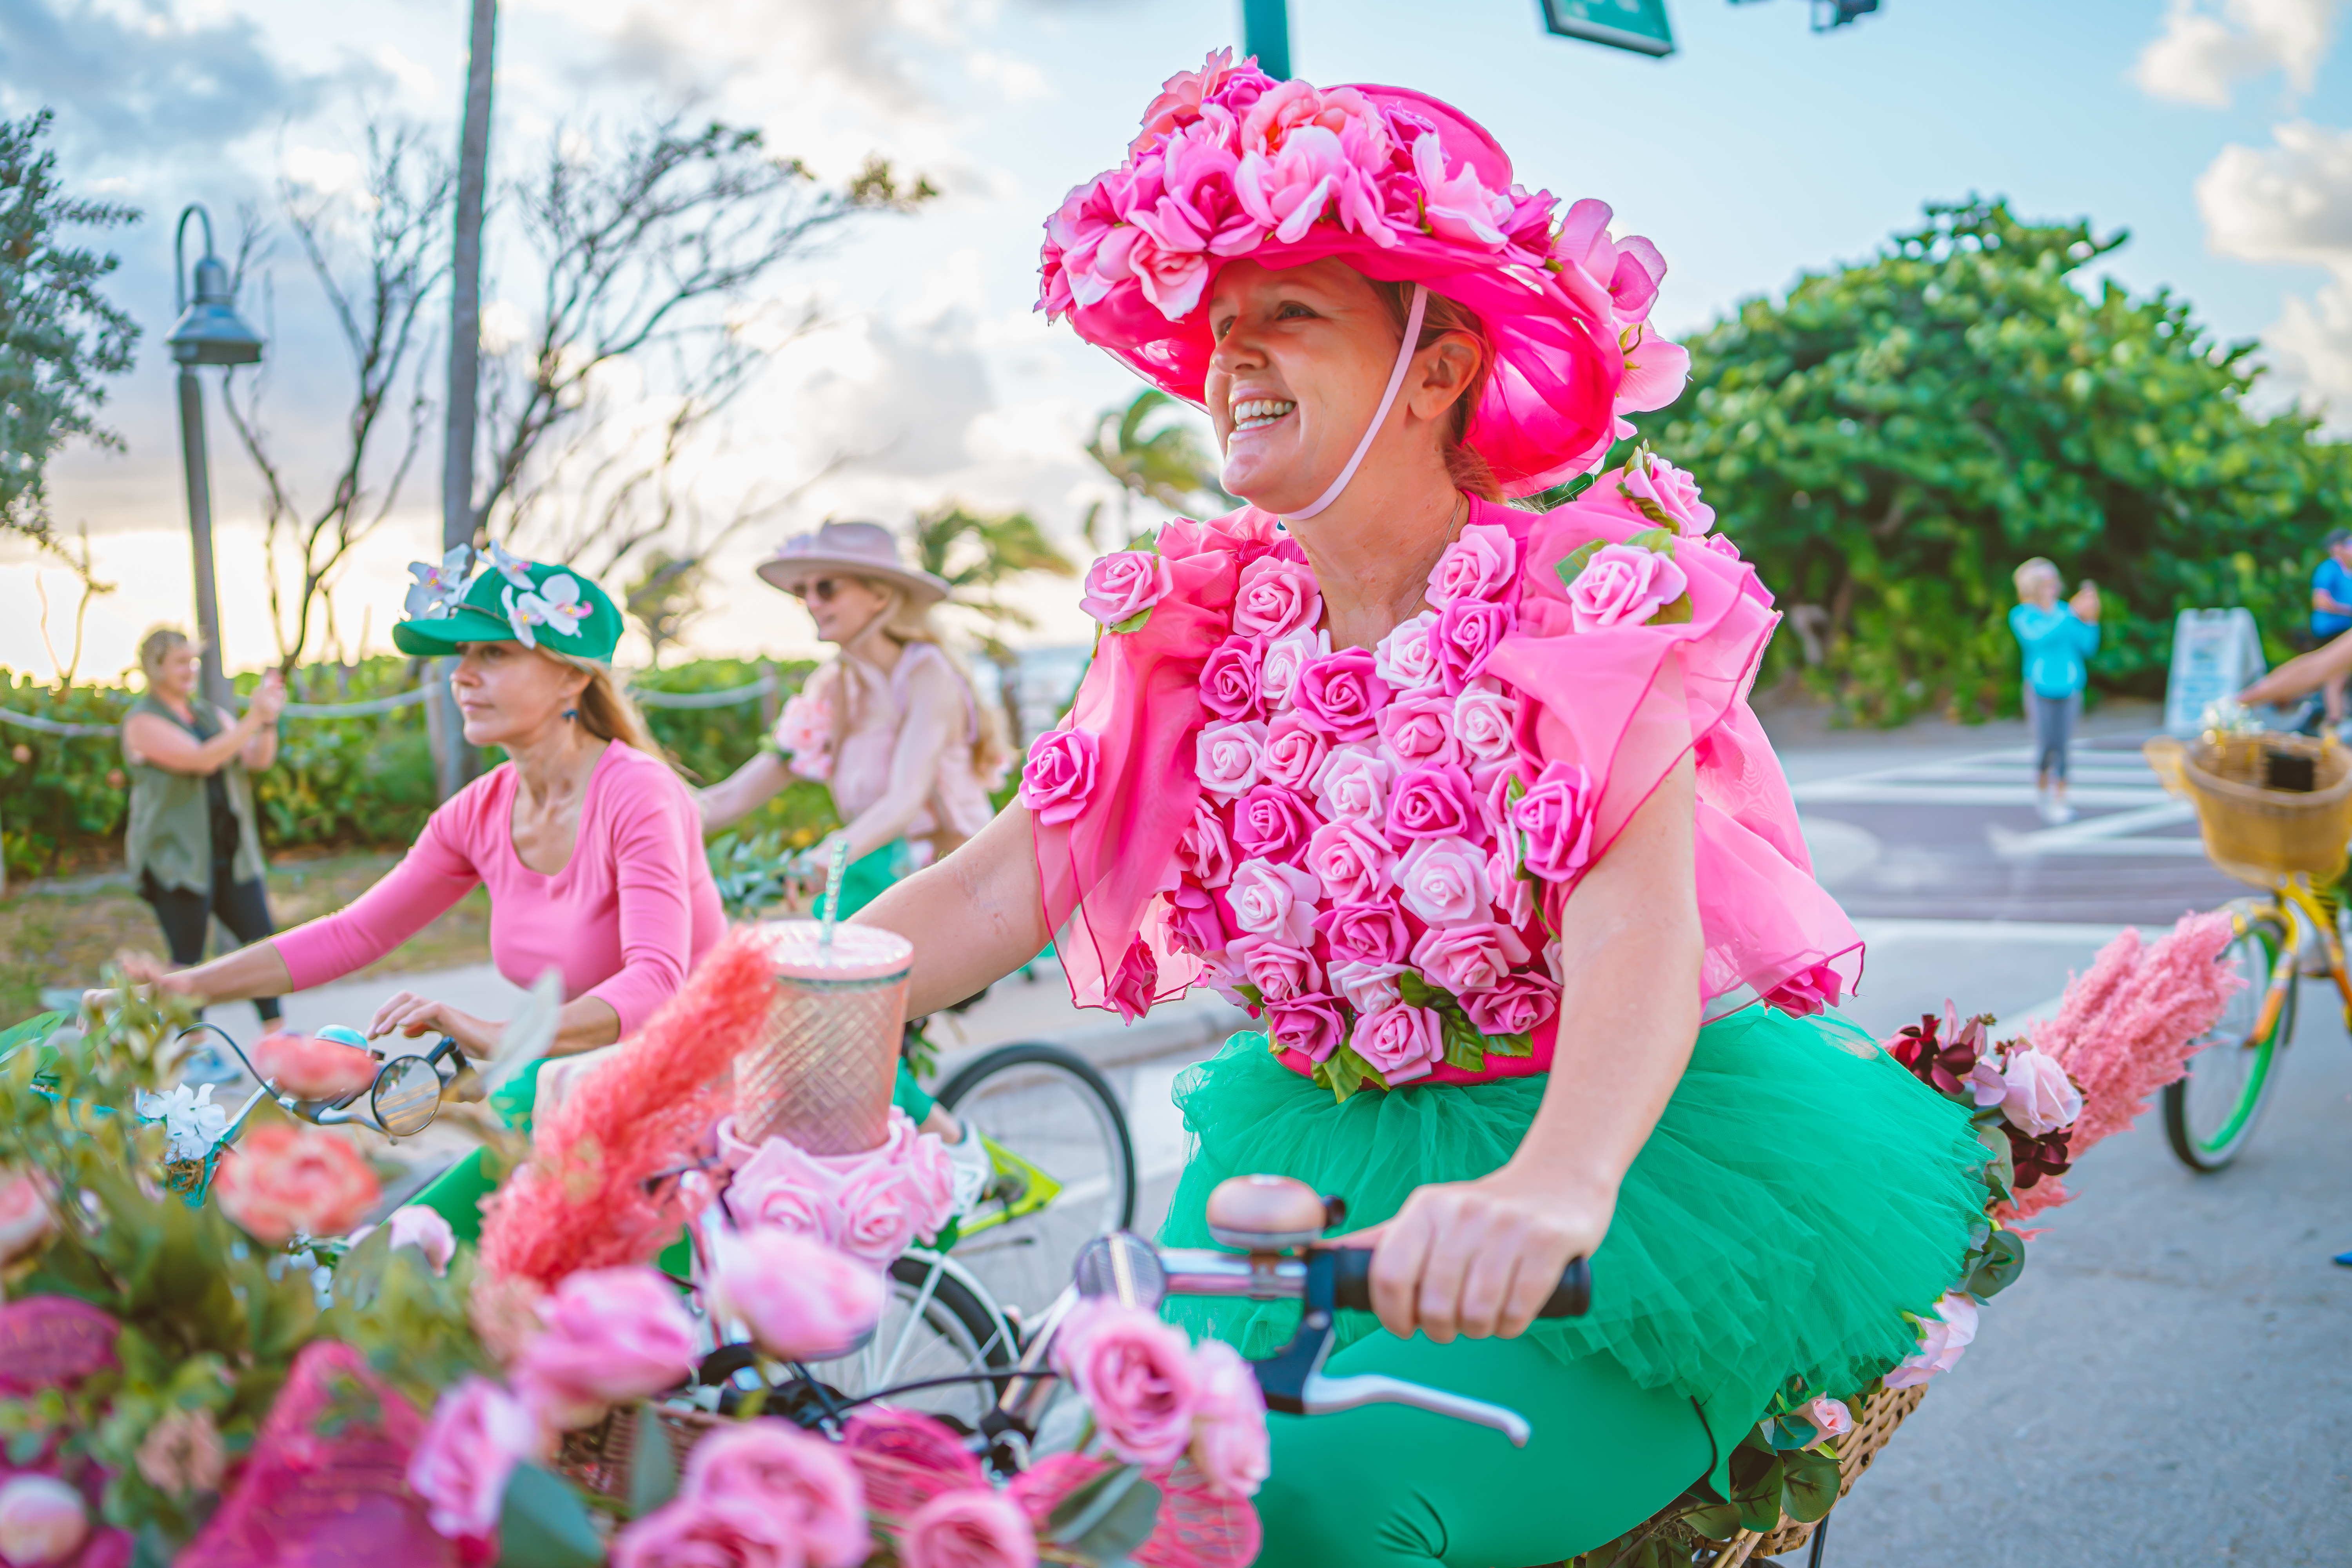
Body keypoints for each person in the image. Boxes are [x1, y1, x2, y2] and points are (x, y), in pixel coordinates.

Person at [848, 60, 1988, 1566]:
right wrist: (750, 1025)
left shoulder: (1583, 599)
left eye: (1290, 315)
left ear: (1436, 367)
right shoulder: (1191, 624)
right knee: (1088, 1491)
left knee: (1332, 1518)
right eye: (1218, 323)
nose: (1229, 356)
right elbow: (1004, 882)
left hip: (1616, 1178)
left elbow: (1639, 920)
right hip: (1295, 1170)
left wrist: (1556, 1184)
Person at [115, 546, 724, 1240]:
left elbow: (657, 981)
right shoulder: (480, 811)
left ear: (571, 678)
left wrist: (502, 1037)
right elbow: (351, 934)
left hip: (697, 1087)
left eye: (494, 653)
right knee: (411, 1250)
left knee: (450, 1256)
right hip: (574, 1082)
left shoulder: (638, 792)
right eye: (462, 655)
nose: (462, 676)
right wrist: (176, 992)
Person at [700, 519, 1005, 1180]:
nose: (813, 601)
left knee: (823, 1023)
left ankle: (963, 1159)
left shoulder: (929, 679)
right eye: (805, 591)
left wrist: (829, 853)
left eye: (828, 587)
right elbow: (730, 798)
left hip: (946, 881)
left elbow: (904, 800)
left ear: (881, 597)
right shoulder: (831, 690)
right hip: (866, 875)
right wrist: (640, 825)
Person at [121, 628, 289, 1066]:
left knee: (262, 944)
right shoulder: (143, 722)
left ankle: (279, 1039)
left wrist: (267, 718)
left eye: (193, 661)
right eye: (181, 662)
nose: (190, 669)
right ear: (156, 667)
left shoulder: (210, 714)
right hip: (175, 858)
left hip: (231, 855)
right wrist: (252, 718)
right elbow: (202, 758)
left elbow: (257, 758)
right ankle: (195, 1052)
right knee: (188, 958)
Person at [2008, 557, 2100, 825]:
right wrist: (2072, 614)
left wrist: (2092, 620)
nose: (2052, 587)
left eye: (2053, 582)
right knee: (2045, 744)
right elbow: (2038, 639)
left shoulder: (2065, 613)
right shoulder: (2024, 615)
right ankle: (2041, 789)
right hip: (2040, 687)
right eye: (2045, 583)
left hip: (2070, 687)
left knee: (2063, 746)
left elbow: (2087, 647)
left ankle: (2060, 797)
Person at [2308, 527, 2352, 727]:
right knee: (2336, 675)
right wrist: (2348, 610)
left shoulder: (2348, 572)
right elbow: (2320, 601)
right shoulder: (2329, 569)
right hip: (2331, 631)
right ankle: (2335, 719)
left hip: (2345, 630)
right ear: (2338, 548)